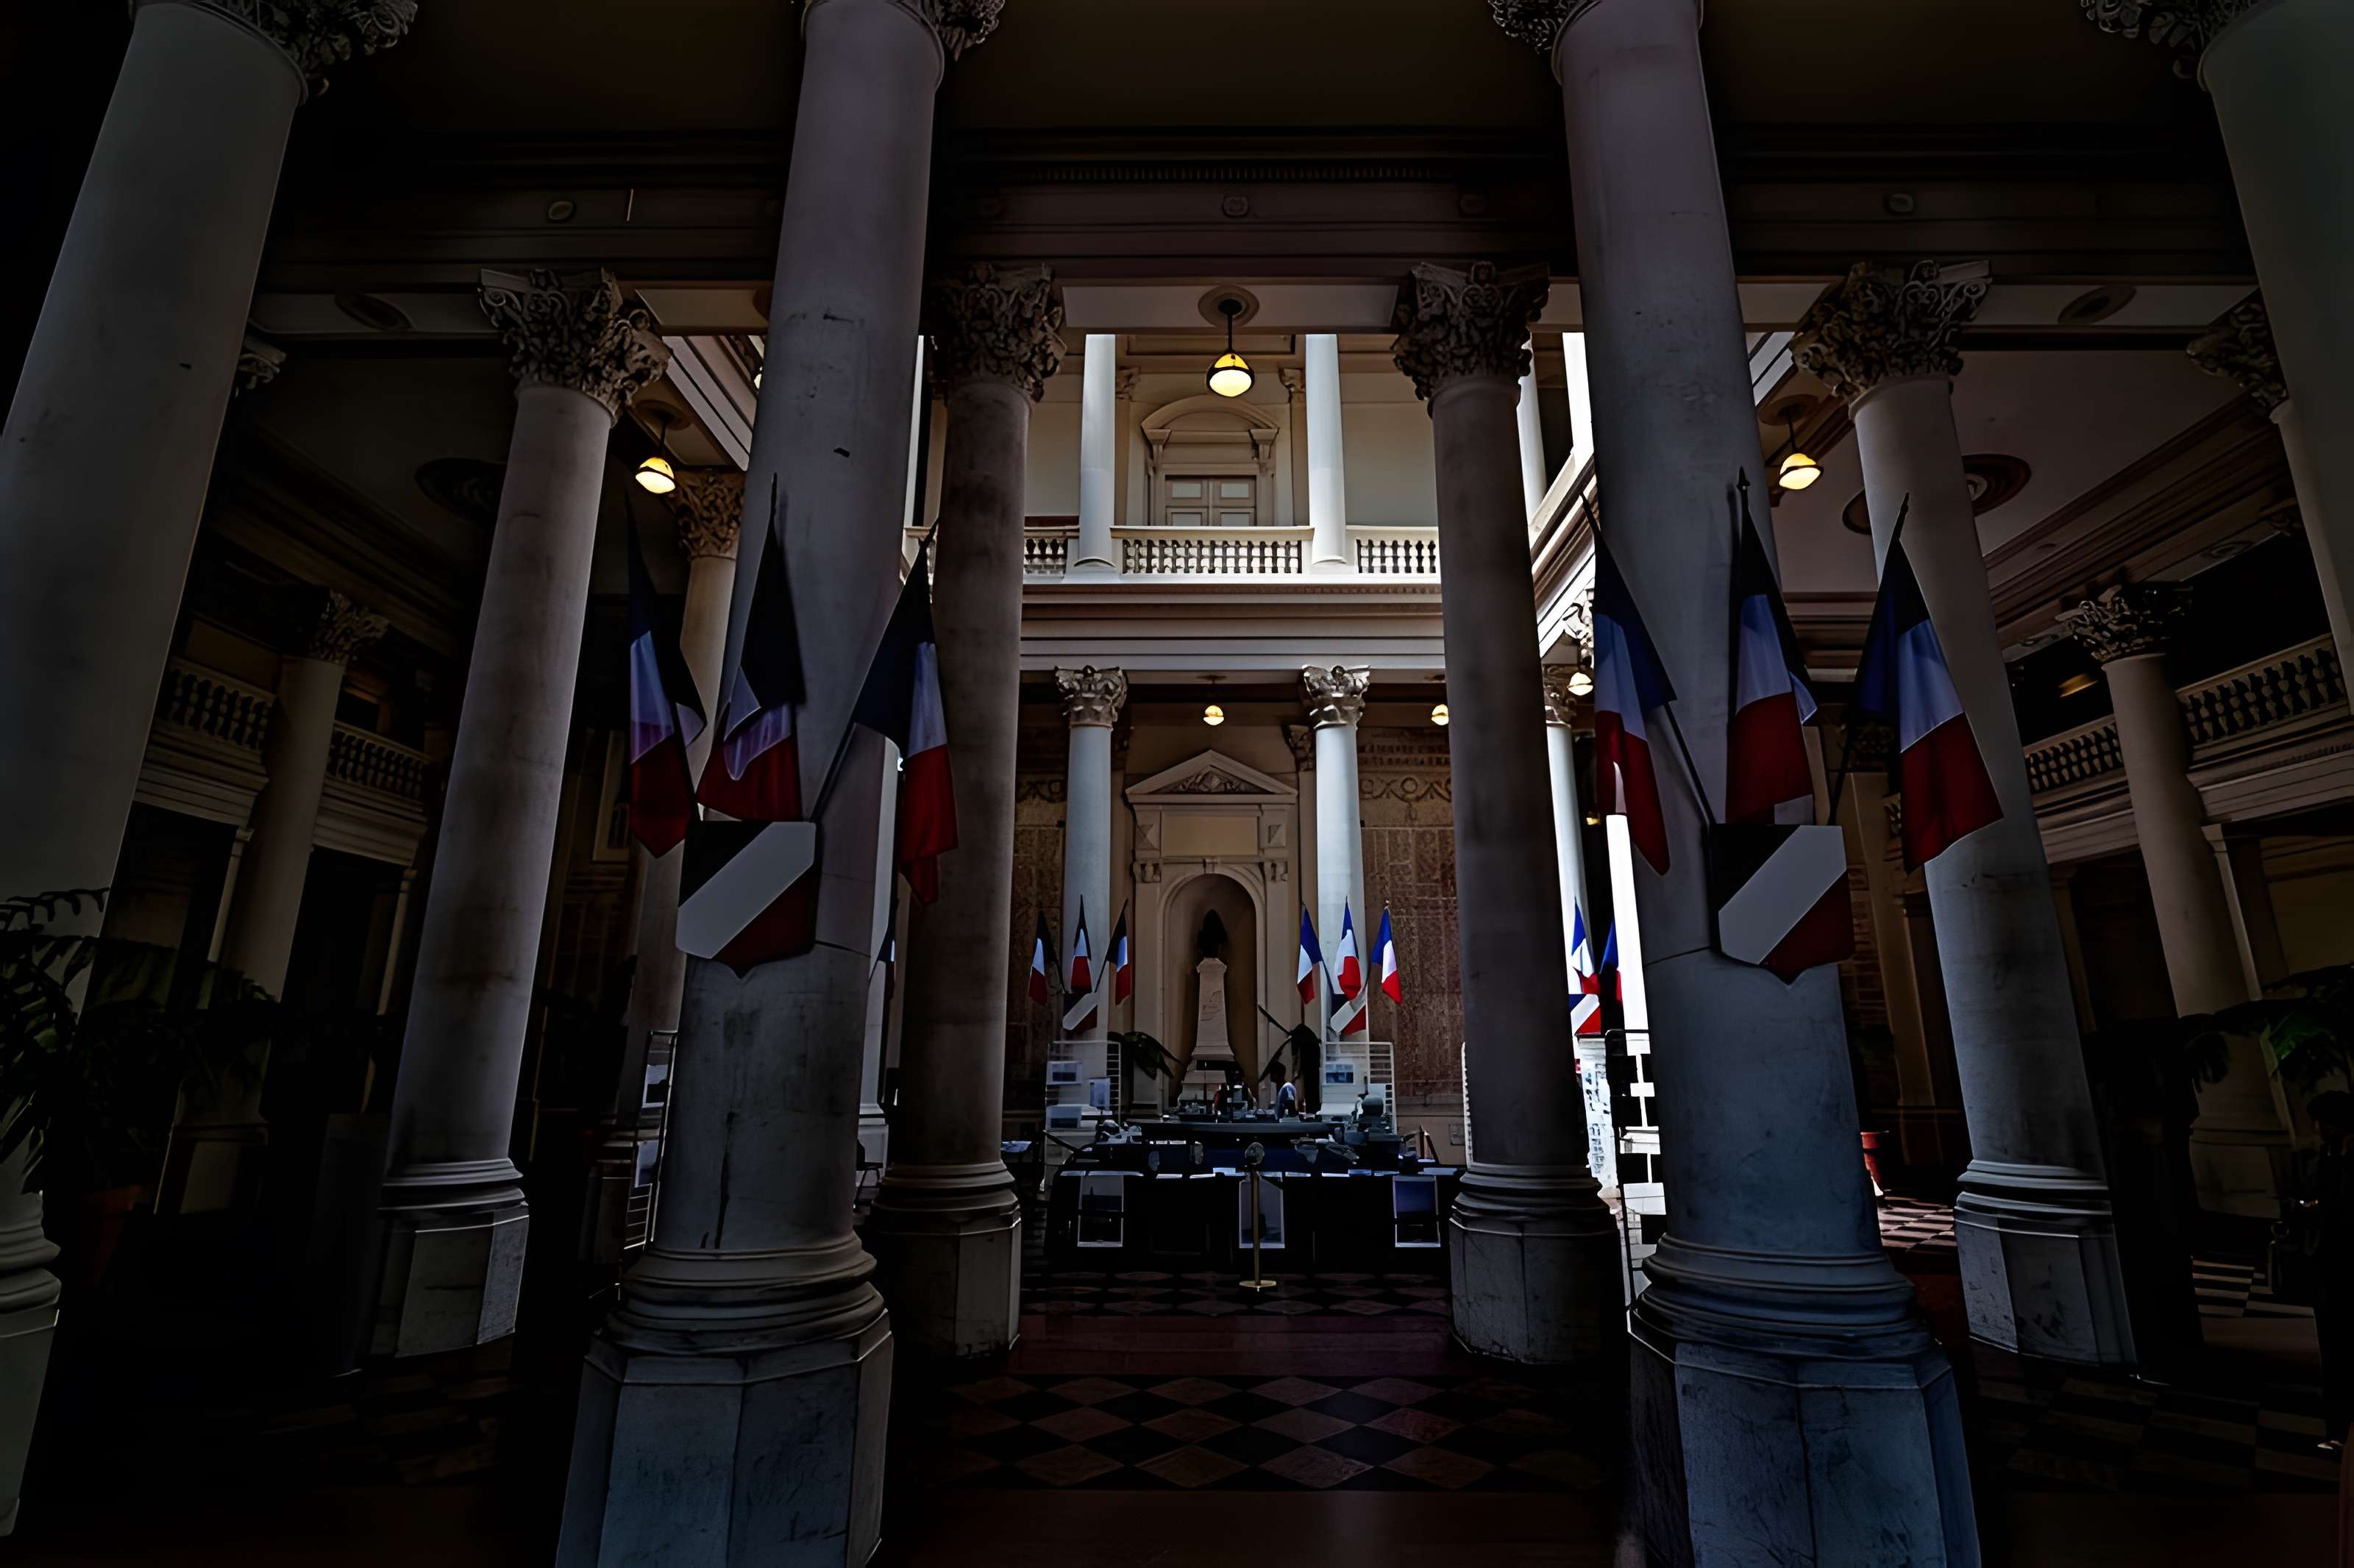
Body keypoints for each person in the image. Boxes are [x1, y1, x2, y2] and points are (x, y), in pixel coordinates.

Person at [2304, 1090, 2354, 1456]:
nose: (2319, 1129)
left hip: (2343, 1268)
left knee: (2340, 1352)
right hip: (2332, 1268)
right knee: (2335, 1351)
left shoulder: (2344, 1160)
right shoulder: (2331, 1156)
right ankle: (2338, 1429)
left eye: (2323, 1123)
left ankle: (2340, 1431)